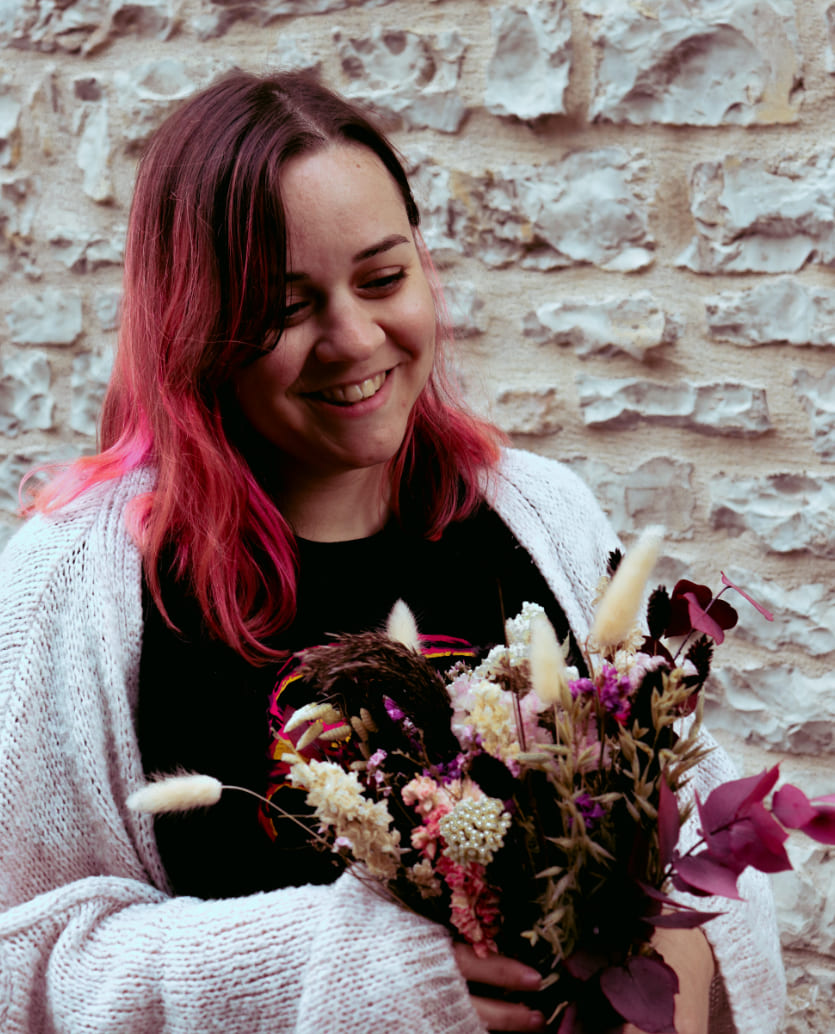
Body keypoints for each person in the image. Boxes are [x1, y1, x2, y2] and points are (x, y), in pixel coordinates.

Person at [0, 69, 784, 1034]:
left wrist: (679, 954)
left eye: (383, 277)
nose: (353, 338)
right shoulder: (71, 586)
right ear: (195, 323)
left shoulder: (540, 511)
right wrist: (350, 972)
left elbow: (690, 823)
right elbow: (20, 965)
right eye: (285, 306)